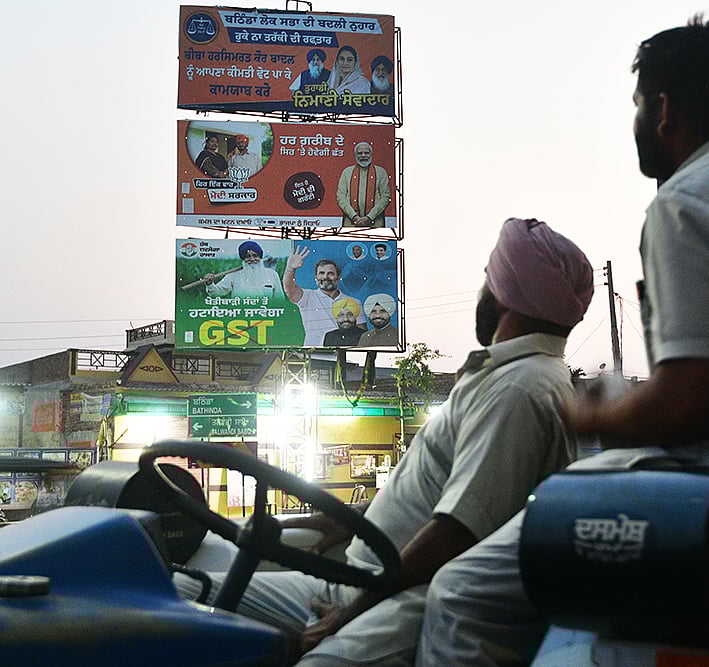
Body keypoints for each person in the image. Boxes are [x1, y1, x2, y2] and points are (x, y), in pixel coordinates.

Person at [419, 16, 709, 666]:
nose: (637, 120)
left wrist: (589, 411)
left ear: (664, 109)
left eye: (639, 104)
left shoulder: (687, 201)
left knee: (458, 592)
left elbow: (689, 401)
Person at [176, 217, 595, 666]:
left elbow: (458, 531)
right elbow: (438, 493)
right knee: (175, 593)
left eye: (488, 280)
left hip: (402, 597)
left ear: (506, 296)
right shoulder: (509, 378)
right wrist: (352, 518)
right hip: (358, 577)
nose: (482, 292)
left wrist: (348, 614)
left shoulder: (520, 389)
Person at [283, 246, 366, 347]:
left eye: (330, 273)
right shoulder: (307, 297)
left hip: (345, 356)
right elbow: (289, 289)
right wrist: (290, 269)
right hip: (315, 356)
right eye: (321, 273)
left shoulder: (354, 302)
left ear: (338, 277)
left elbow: (362, 335)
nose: (325, 277)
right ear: (316, 278)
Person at [203, 241, 283, 300]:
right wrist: (210, 284)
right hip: (240, 318)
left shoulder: (272, 274)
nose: (252, 259)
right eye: (248, 256)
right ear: (243, 259)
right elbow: (216, 293)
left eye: (255, 256)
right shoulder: (233, 275)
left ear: (260, 257)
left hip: (267, 318)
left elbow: (279, 299)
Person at [337, 142, 391, 228]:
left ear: (371, 154)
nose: (363, 155)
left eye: (366, 153)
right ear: (355, 155)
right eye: (360, 153)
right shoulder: (347, 172)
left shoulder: (381, 172)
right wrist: (354, 217)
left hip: (375, 224)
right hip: (350, 224)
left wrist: (369, 217)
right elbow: (340, 197)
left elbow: (386, 197)